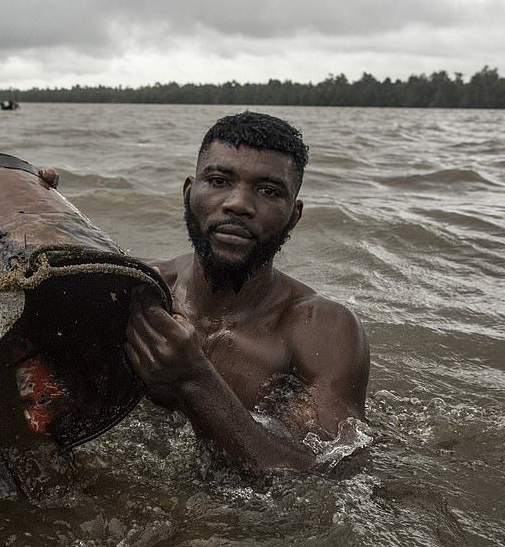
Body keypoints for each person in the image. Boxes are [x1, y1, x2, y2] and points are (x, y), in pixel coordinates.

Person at [121, 111, 370, 473]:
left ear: (294, 216)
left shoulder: (320, 328)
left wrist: (194, 378)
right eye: (219, 180)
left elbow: (330, 475)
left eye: (268, 191)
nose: (238, 204)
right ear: (189, 193)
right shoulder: (140, 289)